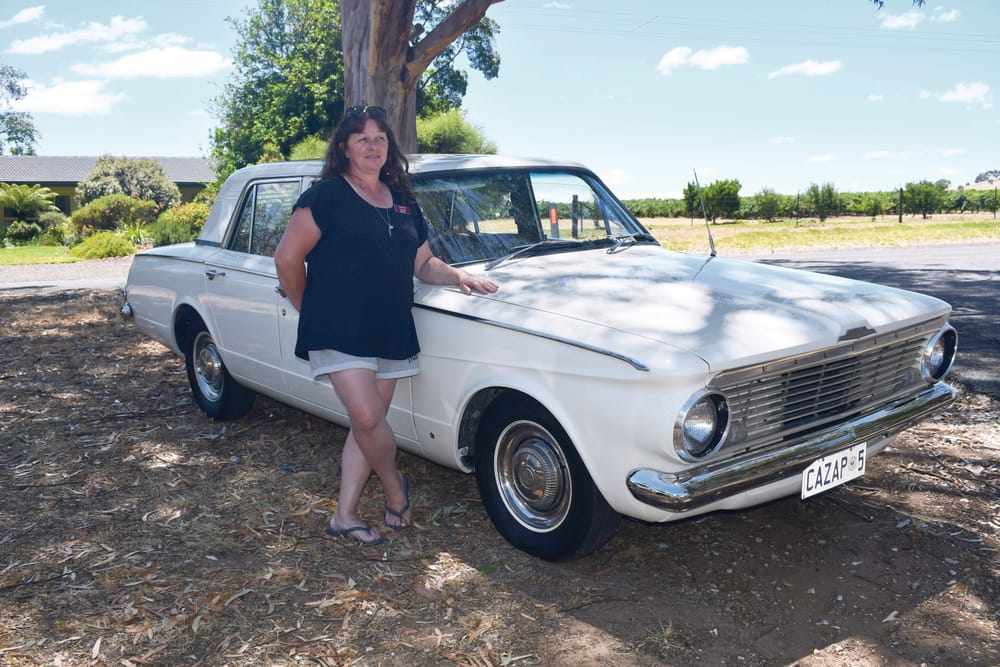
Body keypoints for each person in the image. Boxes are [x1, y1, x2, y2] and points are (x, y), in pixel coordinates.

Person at [274, 105, 499, 546]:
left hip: (390, 325)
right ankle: (396, 487)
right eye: (362, 138)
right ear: (344, 148)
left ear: (388, 148)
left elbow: (423, 263)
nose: (373, 145)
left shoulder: (402, 202)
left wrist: (458, 276)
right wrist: (309, 307)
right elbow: (286, 258)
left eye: (380, 138)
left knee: (367, 427)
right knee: (368, 415)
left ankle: (344, 515)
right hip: (339, 328)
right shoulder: (327, 197)